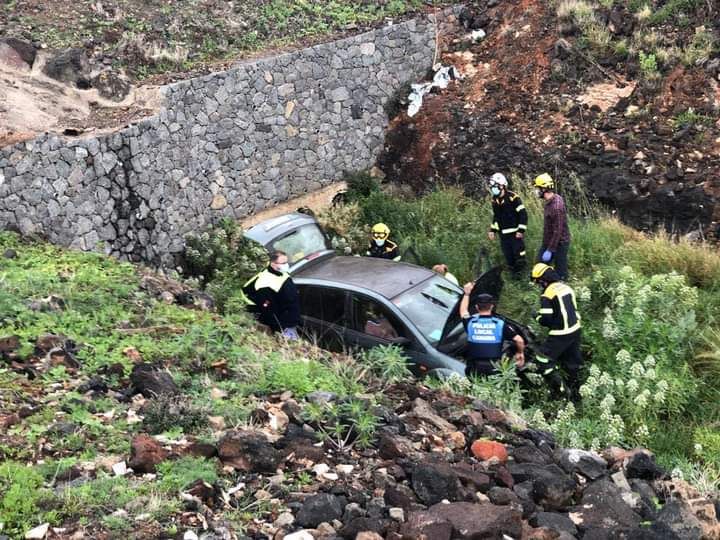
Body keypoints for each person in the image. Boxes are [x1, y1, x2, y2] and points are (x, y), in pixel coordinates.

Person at [531, 263, 582, 401]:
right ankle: (576, 393)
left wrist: (536, 316)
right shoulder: (566, 287)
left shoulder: (547, 294)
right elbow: (574, 309)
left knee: (542, 358)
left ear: (542, 280)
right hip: (576, 330)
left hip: (561, 334)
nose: (538, 285)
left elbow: (546, 320)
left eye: (537, 282)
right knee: (572, 363)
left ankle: (560, 388)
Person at [459, 285, 525, 378]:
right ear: (492, 306)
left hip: (474, 369)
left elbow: (463, 311)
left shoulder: (470, 322)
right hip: (493, 369)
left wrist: (467, 294)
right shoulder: (500, 324)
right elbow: (519, 340)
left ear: (477, 307)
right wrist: (520, 353)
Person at [243, 251, 300, 339]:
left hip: (291, 320)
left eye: (286, 262)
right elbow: (268, 309)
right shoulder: (265, 283)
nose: (286, 265)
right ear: (273, 264)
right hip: (285, 326)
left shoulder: (280, 272)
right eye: (283, 263)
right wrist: (279, 328)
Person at [487, 173, 528, 276]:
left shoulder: (513, 198)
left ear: (502, 186)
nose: (493, 189)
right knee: (508, 257)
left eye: (495, 186)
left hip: (515, 234)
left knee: (519, 256)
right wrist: (493, 230)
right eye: (492, 187)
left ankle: (522, 278)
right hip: (504, 235)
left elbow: (523, 214)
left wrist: (521, 230)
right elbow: (496, 217)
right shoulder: (494, 200)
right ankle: (514, 278)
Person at [533, 173, 571, 280]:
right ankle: (543, 283)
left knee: (560, 270)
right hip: (549, 241)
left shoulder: (556, 207)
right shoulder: (550, 201)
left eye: (538, 188)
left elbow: (557, 231)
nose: (537, 191)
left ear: (544, 189)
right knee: (539, 265)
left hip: (560, 242)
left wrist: (550, 249)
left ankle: (561, 285)